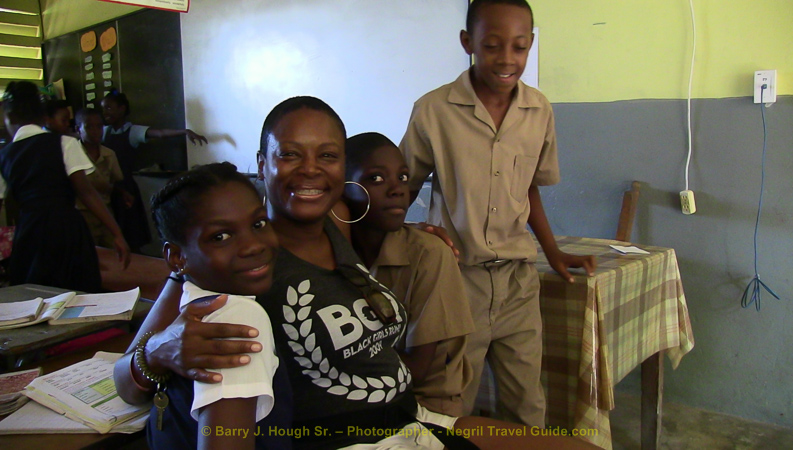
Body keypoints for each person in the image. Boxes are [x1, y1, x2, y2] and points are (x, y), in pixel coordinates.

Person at [114, 96, 598, 450]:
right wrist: (154, 353)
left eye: (327, 156)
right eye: (289, 154)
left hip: (409, 418)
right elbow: (127, 381)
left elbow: (380, 198)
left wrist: (409, 226)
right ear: (262, 164)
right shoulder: (242, 260)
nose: (310, 170)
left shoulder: (339, 223)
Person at [399, 0, 597, 427]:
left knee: (527, 405)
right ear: (467, 42)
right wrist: (405, 235)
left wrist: (553, 252)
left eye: (519, 47)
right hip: (457, 284)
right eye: (492, 46)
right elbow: (402, 188)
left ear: (530, 45)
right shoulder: (433, 110)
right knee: (452, 404)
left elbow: (528, 188)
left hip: (517, 284)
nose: (507, 59)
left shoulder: (538, 110)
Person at [145, 162, 290, 449]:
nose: (253, 245)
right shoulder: (237, 317)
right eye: (220, 237)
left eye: (258, 224)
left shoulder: (193, 303)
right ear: (177, 258)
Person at [342, 131, 474, 417]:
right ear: (341, 188)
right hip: (355, 399)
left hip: (424, 403)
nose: (397, 190)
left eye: (403, 178)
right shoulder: (330, 252)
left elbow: (417, 369)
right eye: (376, 178)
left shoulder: (430, 254)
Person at [0, 81, 130, 292]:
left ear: (9, 117)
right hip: (66, 228)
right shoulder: (64, 143)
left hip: (30, 232)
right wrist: (117, 233)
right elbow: (87, 193)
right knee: (78, 289)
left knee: (35, 292)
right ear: (42, 116)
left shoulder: (3, 156)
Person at [100, 90, 208, 252]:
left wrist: (185, 131)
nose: (105, 112)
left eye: (109, 108)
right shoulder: (104, 131)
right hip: (108, 188)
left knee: (130, 231)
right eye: (103, 108)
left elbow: (160, 133)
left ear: (122, 109)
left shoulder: (132, 131)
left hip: (126, 187)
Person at [74, 108, 128, 247]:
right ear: (78, 129)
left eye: (99, 126)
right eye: (89, 127)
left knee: (112, 250)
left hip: (106, 212)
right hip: (82, 213)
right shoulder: (72, 155)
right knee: (88, 251)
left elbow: (117, 181)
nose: (95, 131)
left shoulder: (109, 154)